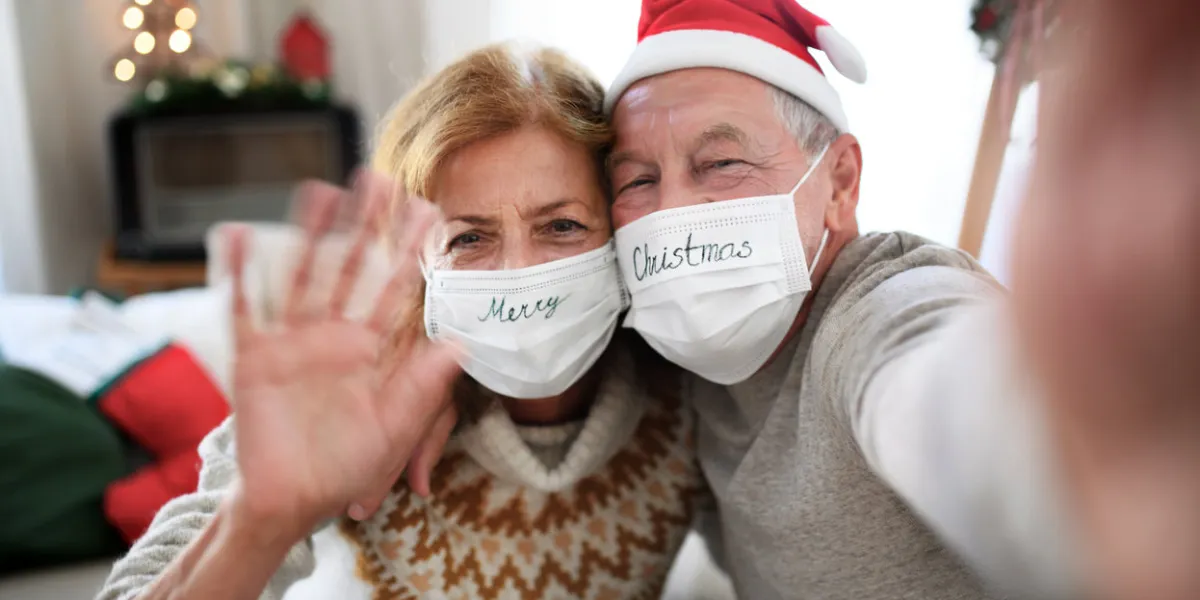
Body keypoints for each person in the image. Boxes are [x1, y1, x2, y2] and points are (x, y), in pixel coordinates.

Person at [600, 0, 1200, 599]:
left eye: (722, 163)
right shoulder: (673, 368)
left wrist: (1105, 452)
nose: (672, 211)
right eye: (638, 181)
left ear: (839, 183)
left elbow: (941, 383)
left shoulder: (874, 310)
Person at [97, 43, 703, 600]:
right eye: (469, 237)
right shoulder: (343, 391)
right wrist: (260, 521)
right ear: (414, 258)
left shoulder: (687, 394)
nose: (518, 274)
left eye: (562, 226)